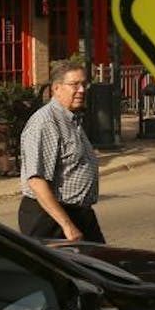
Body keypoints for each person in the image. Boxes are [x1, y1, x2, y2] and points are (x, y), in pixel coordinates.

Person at [19, 59, 103, 243]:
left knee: (100, 264)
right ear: (56, 88)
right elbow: (36, 180)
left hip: (79, 214)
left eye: (84, 84)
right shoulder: (46, 122)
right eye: (74, 85)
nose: (81, 90)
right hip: (51, 218)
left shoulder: (71, 119)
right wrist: (67, 225)